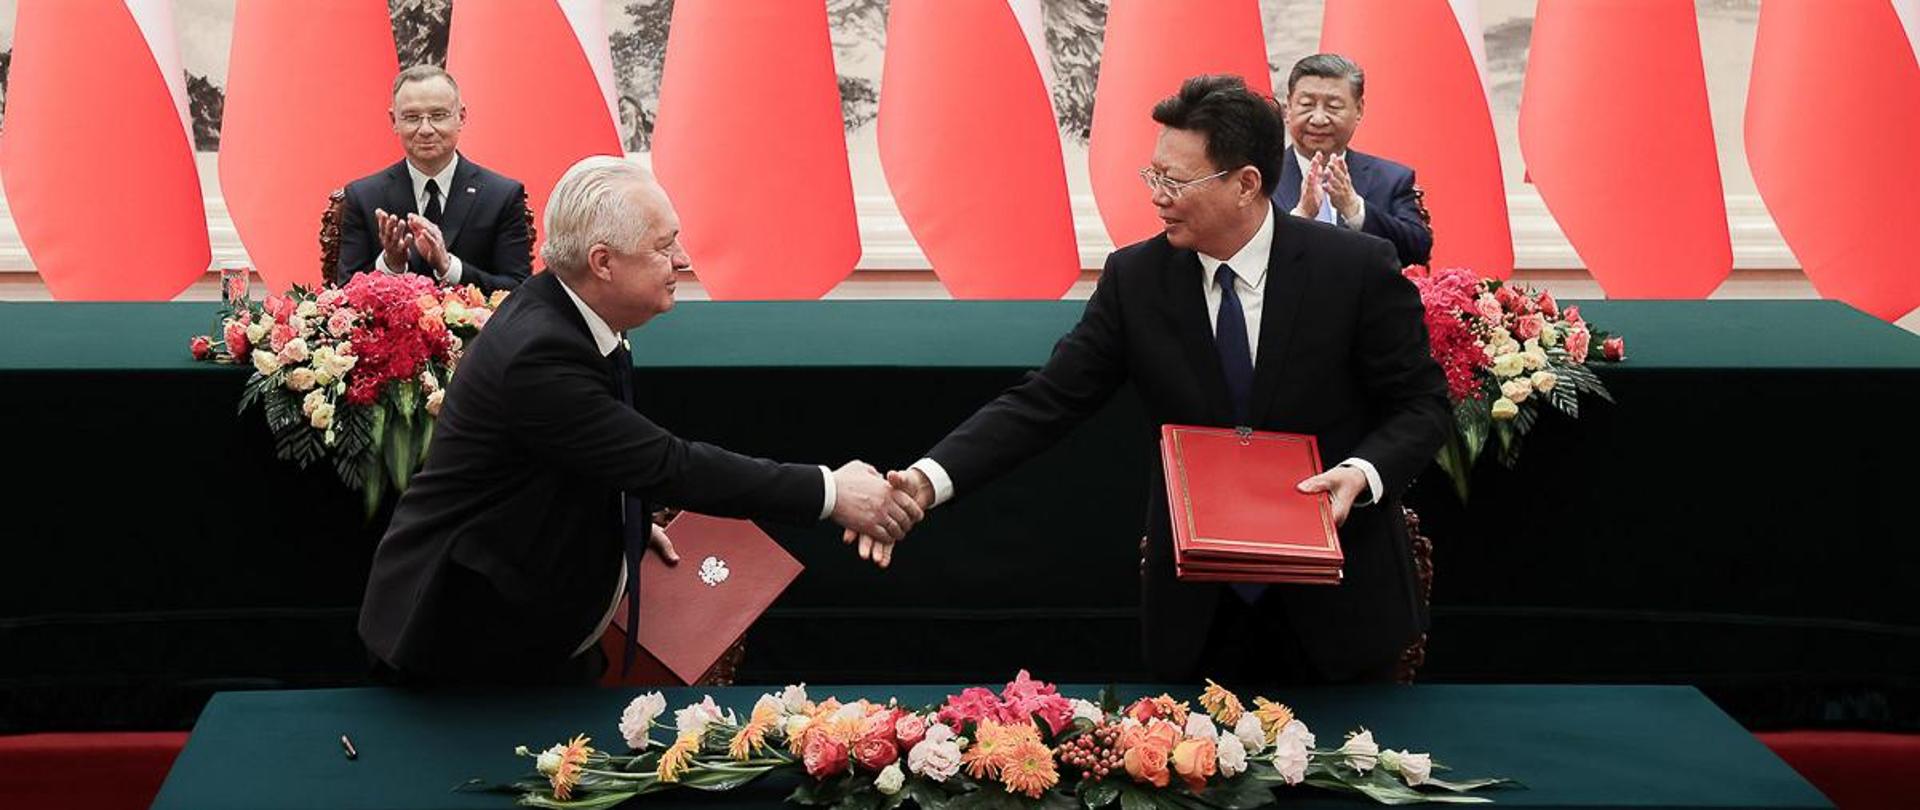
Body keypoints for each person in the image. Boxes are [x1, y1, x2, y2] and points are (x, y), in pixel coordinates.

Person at [879, 75, 1450, 685]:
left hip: (1340, 601)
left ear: (1245, 184)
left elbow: (1422, 406)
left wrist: (1361, 474)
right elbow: (1046, 400)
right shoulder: (1137, 279)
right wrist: (928, 479)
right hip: (1198, 612)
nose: (1158, 196)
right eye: (1154, 175)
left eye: (1175, 181)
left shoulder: (1354, 268)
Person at [359, 156, 918, 685]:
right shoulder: (539, 354)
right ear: (603, 262)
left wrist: (616, 518)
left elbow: (578, 456)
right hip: (459, 646)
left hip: (519, 621)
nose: (683, 261)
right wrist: (831, 492)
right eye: (664, 245)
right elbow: (665, 463)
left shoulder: (570, 312)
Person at [337, 65, 531, 292]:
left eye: (438, 116)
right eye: (412, 117)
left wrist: (450, 267)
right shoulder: (364, 197)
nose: (426, 129)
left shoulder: (501, 195)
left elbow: (519, 291)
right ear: (393, 121)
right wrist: (391, 265)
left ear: (461, 116)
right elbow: (344, 294)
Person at [1271, 54, 1433, 268]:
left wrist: (1354, 209)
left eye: (1333, 106)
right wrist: (1299, 218)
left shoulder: (1391, 179)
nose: (1318, 119)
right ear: (1288, 108)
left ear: (1359, 109)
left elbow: (1418, 250)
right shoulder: (1259, 176)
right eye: (1307, 104)